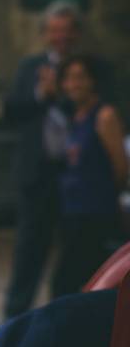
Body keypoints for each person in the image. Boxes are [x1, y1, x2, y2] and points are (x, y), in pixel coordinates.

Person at [3, 0, 115, 317]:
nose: (60, 37)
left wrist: (60, 95)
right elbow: (10, 111)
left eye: (66, 31)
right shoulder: (30, 67)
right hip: (37, 173)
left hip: (78, 178)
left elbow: (93, 111)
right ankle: (14, 320)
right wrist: (41, 94)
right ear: (45, 34)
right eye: (54, 31)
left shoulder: (94, 69)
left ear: (77, 33)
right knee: (29, 251)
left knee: (73, 258)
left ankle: (63, 318)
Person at [51, 55, 127, 297]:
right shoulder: (74, 117)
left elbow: (121, 167)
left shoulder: (104, 116)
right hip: (72, 213)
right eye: (68, 79)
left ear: (93, 81)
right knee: (68, 285)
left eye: (80, 78)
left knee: (82, 284)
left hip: (96, 215)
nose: (73, 85)